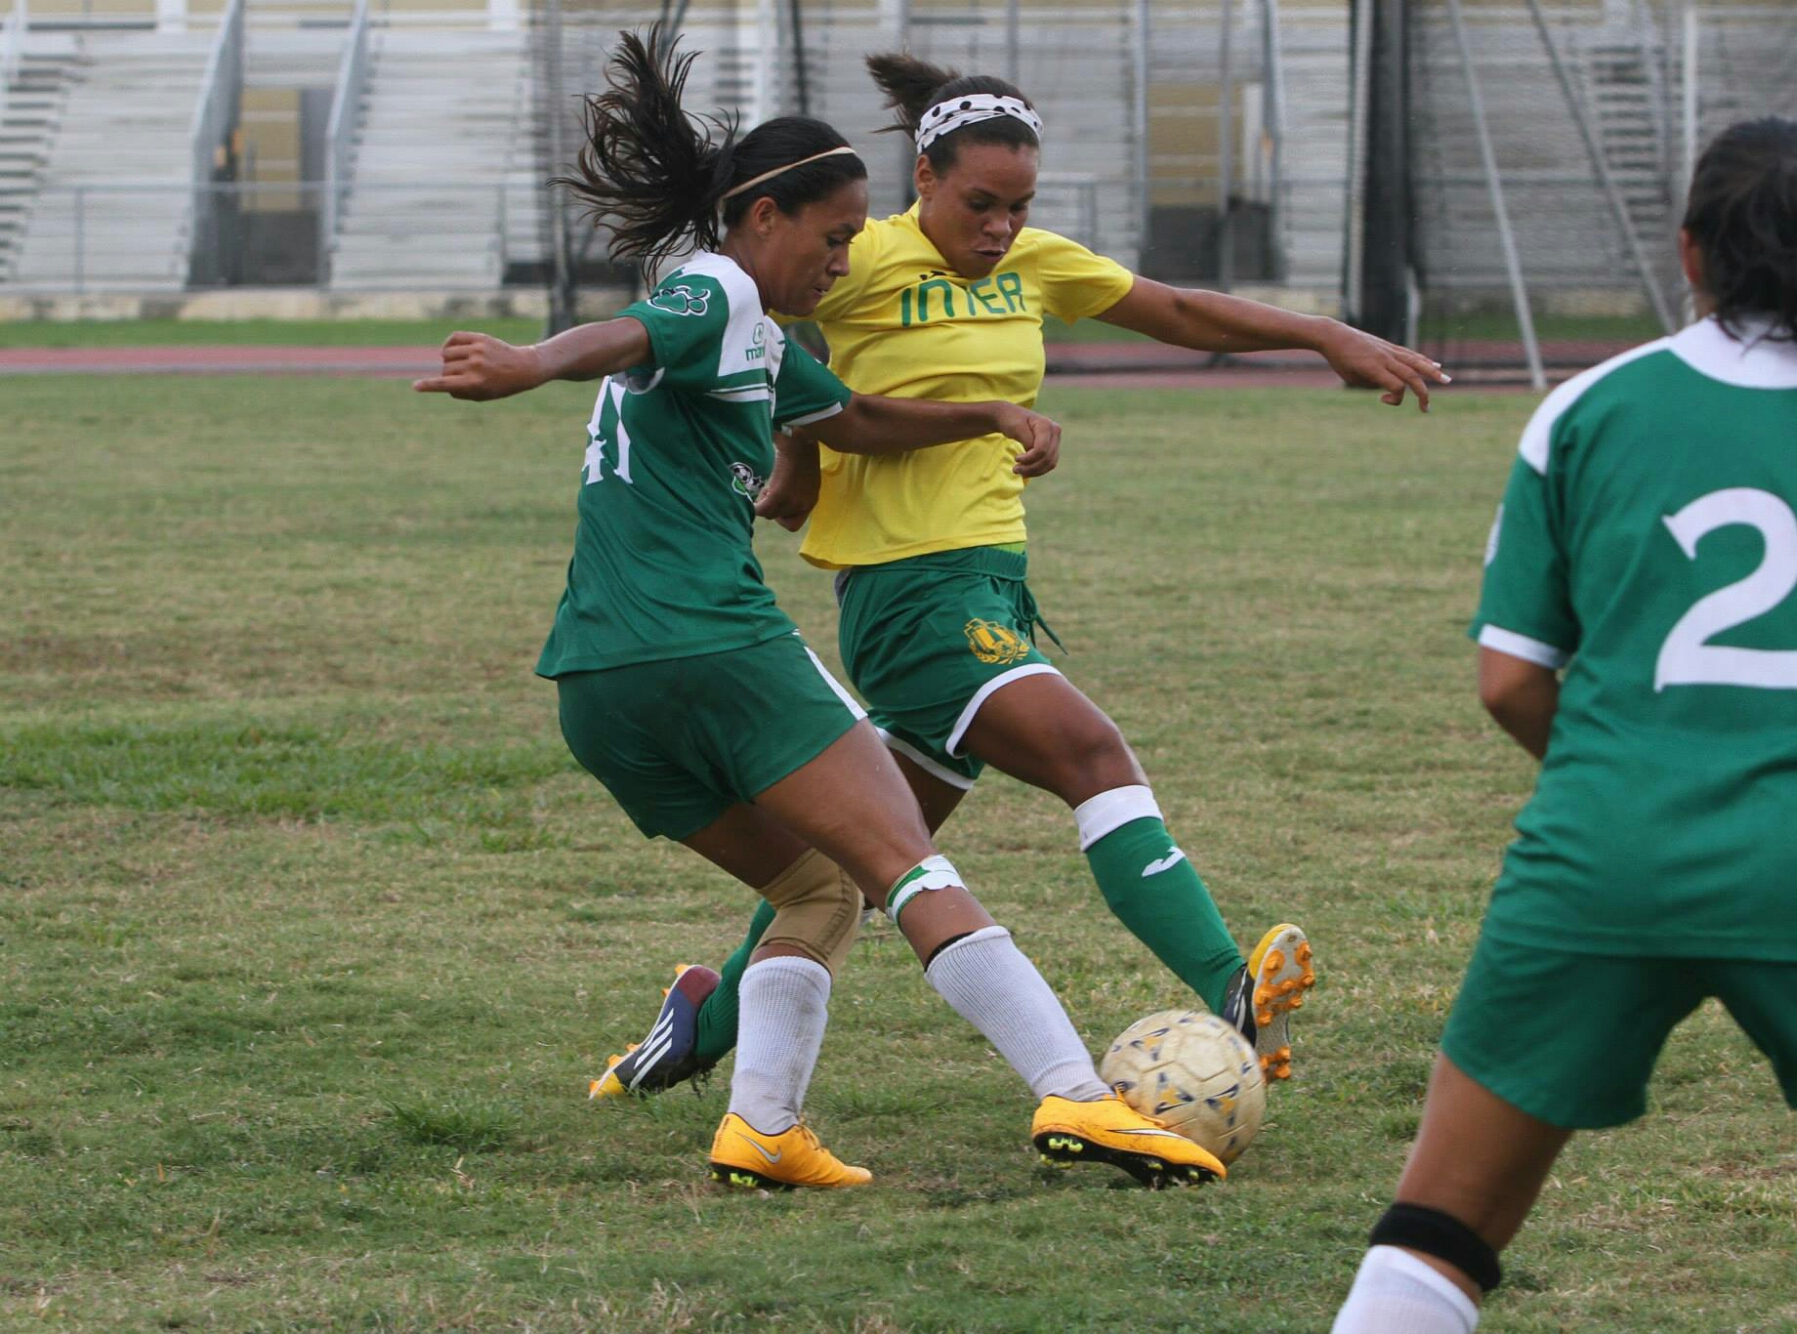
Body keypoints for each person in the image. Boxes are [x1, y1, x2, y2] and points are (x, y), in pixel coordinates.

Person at [417, 25, 1225, 1191]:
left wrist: (983, 413)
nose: (845, 261)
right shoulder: (715, 288)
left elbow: (846, 416)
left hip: (598, 686)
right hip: (716, 647)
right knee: (909, 866)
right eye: (835, 236)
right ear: (763, 220)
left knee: (812, 885)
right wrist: (530, 362)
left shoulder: (754, 328)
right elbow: (634, 333)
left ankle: (761, 1126)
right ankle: (1080, 1095)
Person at [591, 54, 1447, 1102]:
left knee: (863, 865)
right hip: (908, 592)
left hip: (992, 584)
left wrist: (1322, 334)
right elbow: (771, 336)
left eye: (1017, 205)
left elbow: (1176, 311)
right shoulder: (860, 254)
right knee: (1088, 749)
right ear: (924, 179)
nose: (998, 225)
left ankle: (696, 1022)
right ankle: (1229, 984)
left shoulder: (1036, 264)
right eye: (979, 202)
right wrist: (802, 464)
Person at [1330, 117, 1797, 1332]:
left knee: (1437, 1232)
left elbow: (1505, 680)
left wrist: (1618, 772)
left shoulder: (1585, 411)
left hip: (1602, 852)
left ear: (1690, 253)